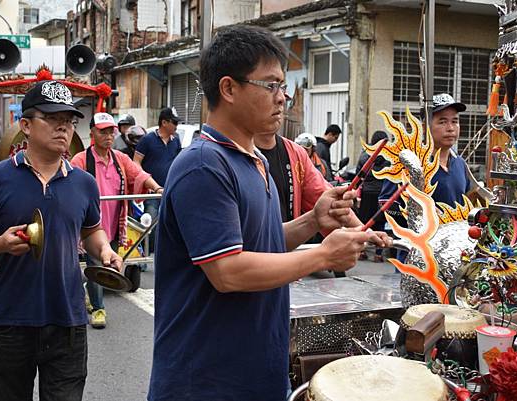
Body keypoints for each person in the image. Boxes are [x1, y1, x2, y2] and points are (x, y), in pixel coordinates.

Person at [148, 25, 391, 401]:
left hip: (255, 370)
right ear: (228, 89)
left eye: (284, 86)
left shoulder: (254, 159)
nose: (282, 99)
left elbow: (261, 241)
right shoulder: (203, 165)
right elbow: (228, 271)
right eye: (271, 86)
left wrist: (313, 221)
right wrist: (323, 254)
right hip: (206, 380)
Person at [0, 80, 122, 401]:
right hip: (13, 319)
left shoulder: (84, 183)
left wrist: (105, 249)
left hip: (69, 320)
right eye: (53, 118)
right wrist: (1, 243)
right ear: (26, 125)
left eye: (70, 121)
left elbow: (91, 231)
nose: (64, 128)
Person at [71, 113, 162, 329]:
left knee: (108, 263)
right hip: (90, 226)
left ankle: (91, 296)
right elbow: (71, 186)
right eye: (103, 131)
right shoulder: (81, 160)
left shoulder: (120, 159)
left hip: (114, 221)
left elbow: (138, 174)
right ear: (92, 133)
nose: (108, 135)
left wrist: (157, 188)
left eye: (111, 131)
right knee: (95, 262)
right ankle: (98, 307)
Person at [379, 93, 470, 262]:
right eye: (442, 121)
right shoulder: (410, 163)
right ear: (425, 125)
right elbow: (386, 205)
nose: (450, 128)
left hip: (453, 257)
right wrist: (420, 212)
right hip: (417, 258)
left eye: (455, 121)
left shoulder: (460, 164)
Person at [133, 107, 181, 250]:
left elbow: (177, 162)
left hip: (169, 190)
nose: (176, 126)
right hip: (151, 192)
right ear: (164, 122)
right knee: (149, 223)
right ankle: (145, 253)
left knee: (169, 223)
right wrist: (145, 180)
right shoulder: (147, 140)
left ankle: (163, 252)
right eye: (174, 123)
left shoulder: (176, 141)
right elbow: (135, 162)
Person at [356, 130, 389, 262]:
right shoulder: (389, 157)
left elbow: (359, 174)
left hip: (367, 193)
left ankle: (362, 251)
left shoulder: (365, 155)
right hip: (382, 193)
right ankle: (378, 253)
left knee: (364, 223)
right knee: (379, 223)